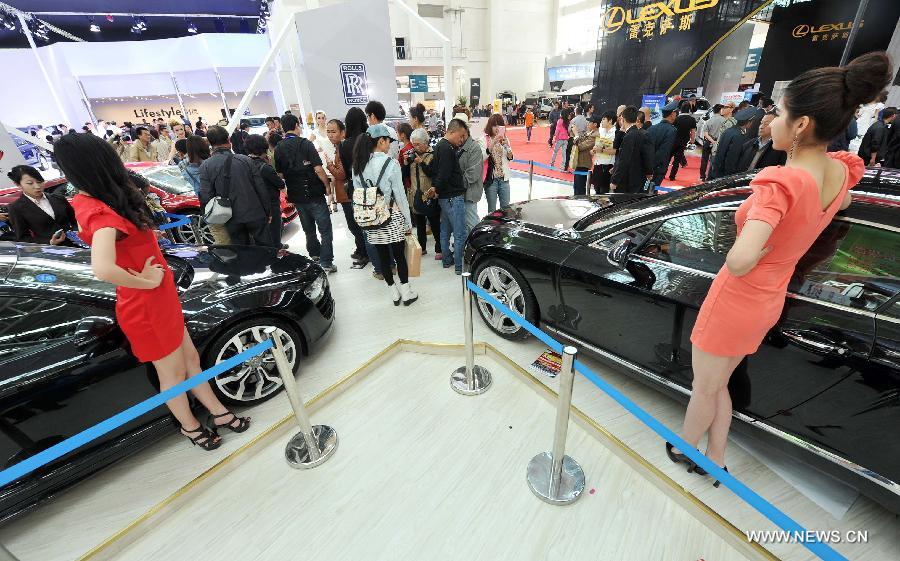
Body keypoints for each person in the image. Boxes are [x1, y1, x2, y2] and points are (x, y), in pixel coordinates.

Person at [669, 52, 889, 483]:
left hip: (737, 294)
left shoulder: (783, 182)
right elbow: (840, 204)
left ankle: (684, 447)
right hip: (769, 297)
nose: (773, 121)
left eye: (781, 113)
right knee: (721, 383)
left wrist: (755, 242)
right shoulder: (839, 173)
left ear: (803, 124)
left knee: (705, 388)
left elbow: (740, 257)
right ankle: (715, 456)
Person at [54, 132, 250, 452]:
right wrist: (145, 281)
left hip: (159, 297)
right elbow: (102, 268)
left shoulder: (104, 197)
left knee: (190, 361)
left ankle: (218, 412)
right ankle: (190, 427)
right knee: (172, 374)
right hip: (145, 305)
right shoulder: (95, 208)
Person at [351, 123, 417, 305]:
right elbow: (401, 196)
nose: (389, 145)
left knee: (382, 257)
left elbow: (359, 196)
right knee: (399, 256)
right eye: (388, 141)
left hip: (371, 218)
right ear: (381, 141)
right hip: (392, 215)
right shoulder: (391, 163)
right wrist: (408, 222)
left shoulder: (357, 165)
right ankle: (406, 292)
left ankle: (393, 293)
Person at [275, 114, 336, 272]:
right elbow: (318, 169)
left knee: (308, 229)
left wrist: (287, 191)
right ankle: (326, 262)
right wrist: (327, 187)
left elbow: (280, 176)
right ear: (296, 125)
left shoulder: (279, 148)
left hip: (297, 196)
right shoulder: (306, 144)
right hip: (314, 193)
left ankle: (315, 256)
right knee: (325, 229)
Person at [199, 125, 273, 247]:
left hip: (229, 217)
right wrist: (268, 211)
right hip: (255, 212)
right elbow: (261, 188)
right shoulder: (245, 160)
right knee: (267, 248)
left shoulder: (206, 166)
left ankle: (249, 266)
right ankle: (269, 265)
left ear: (210, 144)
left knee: (242, 251)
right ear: (229, 140)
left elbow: (206, 196)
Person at [426, 118, 469, 274]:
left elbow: (433, 170)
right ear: (452, 131)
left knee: (445, 230)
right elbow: (443, 174)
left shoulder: (439, 146)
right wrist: (437, 188)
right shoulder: (446, 148)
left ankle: (447, 261)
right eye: (461, 135)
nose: (462, 139)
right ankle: (459, 266)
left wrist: (437, 189)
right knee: (459, 233)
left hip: (445, 197)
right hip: (452, 197)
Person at [341, 107, 378, 271]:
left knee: (364, 226)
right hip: (373, 186)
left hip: (355, 189)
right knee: (377, 223)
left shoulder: (344, 144)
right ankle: (380, 257)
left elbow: (346, 170)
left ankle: (368, 255)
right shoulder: (369, 139)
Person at [325, 118, 367, 260]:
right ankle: (361, 249)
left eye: (334, 132)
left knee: (355, 225)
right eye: (328, 132)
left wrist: (329, 165)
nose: (331, 135)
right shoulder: (339, 147)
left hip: (348, 193)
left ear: (343, 132)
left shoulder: (343, 147)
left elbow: (342, 174)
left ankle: (364, 252)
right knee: (354, 225)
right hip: (345, 193)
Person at [6, 165, 76, 245]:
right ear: (18, 185)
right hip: (52, 251)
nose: (37, 186)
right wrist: (49, 242)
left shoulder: (58, 198)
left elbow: (75, 221)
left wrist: (76, 233)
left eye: (39, 182)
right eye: (30, 183)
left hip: (77, 244)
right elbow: (23, 238)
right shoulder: (16, 208)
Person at [245, 134, 285, 248]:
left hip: (253, 204)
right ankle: (276, 250)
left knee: (261, 234)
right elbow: (280, 183)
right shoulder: (265, 168)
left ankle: (269, 250)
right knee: (275, 230)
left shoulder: (244, 164)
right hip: (271, 204)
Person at [409, 128, 441, 257]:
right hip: (416, 194)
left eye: (418, 144)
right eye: (414, 144)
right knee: (420, 224)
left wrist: (421, 163)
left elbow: (433, 173)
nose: (416, 147)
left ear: (426, 142)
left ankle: (439, 248)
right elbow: (405, 174)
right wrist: (406, 163)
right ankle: (422, 247)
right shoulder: (412, 155)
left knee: (434, 223)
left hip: (430, 194)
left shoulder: (433, 155)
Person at [609, 106, 653, 193]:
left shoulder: (629, 136)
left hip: (627, 180)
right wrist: (649, 171)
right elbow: (647, 156)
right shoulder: (639, 133)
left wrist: (615, 180)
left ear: (623, 119)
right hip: (637, 178)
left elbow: (624, 160)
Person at [710, 108, 755, 179]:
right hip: (724, 174)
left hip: (717, 169)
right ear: (748, 122)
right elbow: (731, 158)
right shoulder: (738, 136)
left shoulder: (729, 130)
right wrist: (730, 176)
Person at [483, 113, 512, 215]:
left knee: (506, 209)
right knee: (492, 211)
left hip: (504, 179)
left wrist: (507, 146)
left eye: (499, 126)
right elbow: (482, 157)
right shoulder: (484, 140)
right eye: (494, 125)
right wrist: (493, 143)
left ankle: (504, 229)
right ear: (490, 126)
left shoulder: (505, 139)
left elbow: (510, 158)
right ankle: (493, 230)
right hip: (491, 181)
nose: (496, 128)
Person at [647, 102, 678, 188]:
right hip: (658, 168)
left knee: (645, 189)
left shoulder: (652, 128)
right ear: (672, 114)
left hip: (647, 166)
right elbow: (663, 152)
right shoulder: (672, 131)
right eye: (675, 113)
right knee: (652, 191)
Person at [590, 111, 617, 194]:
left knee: (604, 193)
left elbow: (615, 151)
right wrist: (594, 150)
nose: (601, 121)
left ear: (610, 121)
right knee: (596, 190)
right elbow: (597, 146)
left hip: (608, 166)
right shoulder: (601, 131)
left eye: (604, 119)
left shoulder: (615, 133)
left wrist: (601, 150)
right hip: (598, 164)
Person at [571, 116, 599, 196]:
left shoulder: (595, 136)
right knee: (576, 187)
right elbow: (577, 141)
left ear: (595, 124)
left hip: (584, 164)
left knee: (580, 188)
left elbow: (580, 146)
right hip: (580, 162)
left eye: (589, 122)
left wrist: (576, 133)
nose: (587, 124)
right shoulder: (589, 133)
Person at [669, 102, 697, 180]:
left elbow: (671, 129)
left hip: (673, 141)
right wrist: (692, 140)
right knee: (677, 160)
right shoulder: (692, 119)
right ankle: (672, 176)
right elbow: (693, 131)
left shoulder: (677, 118)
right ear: (689, 109)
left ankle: (663, 174)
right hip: (683, 141)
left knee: (668, 158)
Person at [698, 104, 724, 181]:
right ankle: (711, 177)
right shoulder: (724, 121)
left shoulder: (709, 121)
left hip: (708, 142)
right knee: (714, 160)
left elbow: (705, 134)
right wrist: (715, 142)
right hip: (718, 142)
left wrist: (711, 141)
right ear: (720, 110)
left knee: (704, 160)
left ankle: (702, 176)